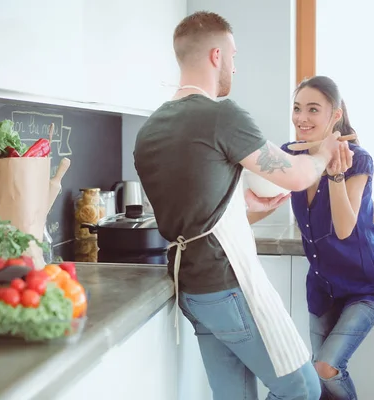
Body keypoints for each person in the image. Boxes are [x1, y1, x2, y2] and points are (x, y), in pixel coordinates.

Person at [133, 11, 343, 400]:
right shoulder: (220, 115)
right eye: (233, 55)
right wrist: (324, 152)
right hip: (226, 286)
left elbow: (193, 211)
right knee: (303, 388)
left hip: (192, 291)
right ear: (216, 56)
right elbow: (297, 175)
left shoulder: (150, 129)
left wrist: (244, 203)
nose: (235, 65)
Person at [280, 75, 374, 399]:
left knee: (326, 367)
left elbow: (344, 228)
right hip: (322, 286)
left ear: (335, 116)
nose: (301, 118)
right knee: (318, 380)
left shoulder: (357, 159)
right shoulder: (291, 154)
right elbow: (257, 182)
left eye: (313, 109)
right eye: (297, 108)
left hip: (365, 285)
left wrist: (335, 173)